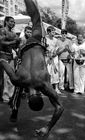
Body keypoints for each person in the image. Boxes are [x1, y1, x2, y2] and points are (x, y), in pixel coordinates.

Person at [0, 0, 63, 137]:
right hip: (22, 51)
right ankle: (14, 111)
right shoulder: (18, 80)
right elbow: (3, 61)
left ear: (40, 95)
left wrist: (48, 127)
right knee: (18, 87)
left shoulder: (44, 85)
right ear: (28, 99)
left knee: (36, 17)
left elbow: (60, 108)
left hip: (35, 41)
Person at [0, 16, 20, 102]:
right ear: (6, 22)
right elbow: (1, 42)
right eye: (11, 21)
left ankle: (11, 95)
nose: (13, 23)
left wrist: (17, 44)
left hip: (10, 55)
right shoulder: (2, 30)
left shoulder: (13, 33)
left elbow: (15, 46)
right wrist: (13, 42)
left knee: (12, 76)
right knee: (5, 77)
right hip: (2, 55)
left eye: (14, 22)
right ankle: (5, 96)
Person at [45, 26, 61, 94]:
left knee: (55, 73)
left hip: (54, 58)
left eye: (54, 32)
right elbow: (43, 48)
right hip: (47, 58)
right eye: (53, 32)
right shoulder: (45, 39)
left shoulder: (56, 40)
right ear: (48, 32)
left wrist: (54, 54)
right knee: (48, 72)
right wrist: (48, 54)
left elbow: (58, 49)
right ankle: (48, 88)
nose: (54, 33)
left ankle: (56, 88)